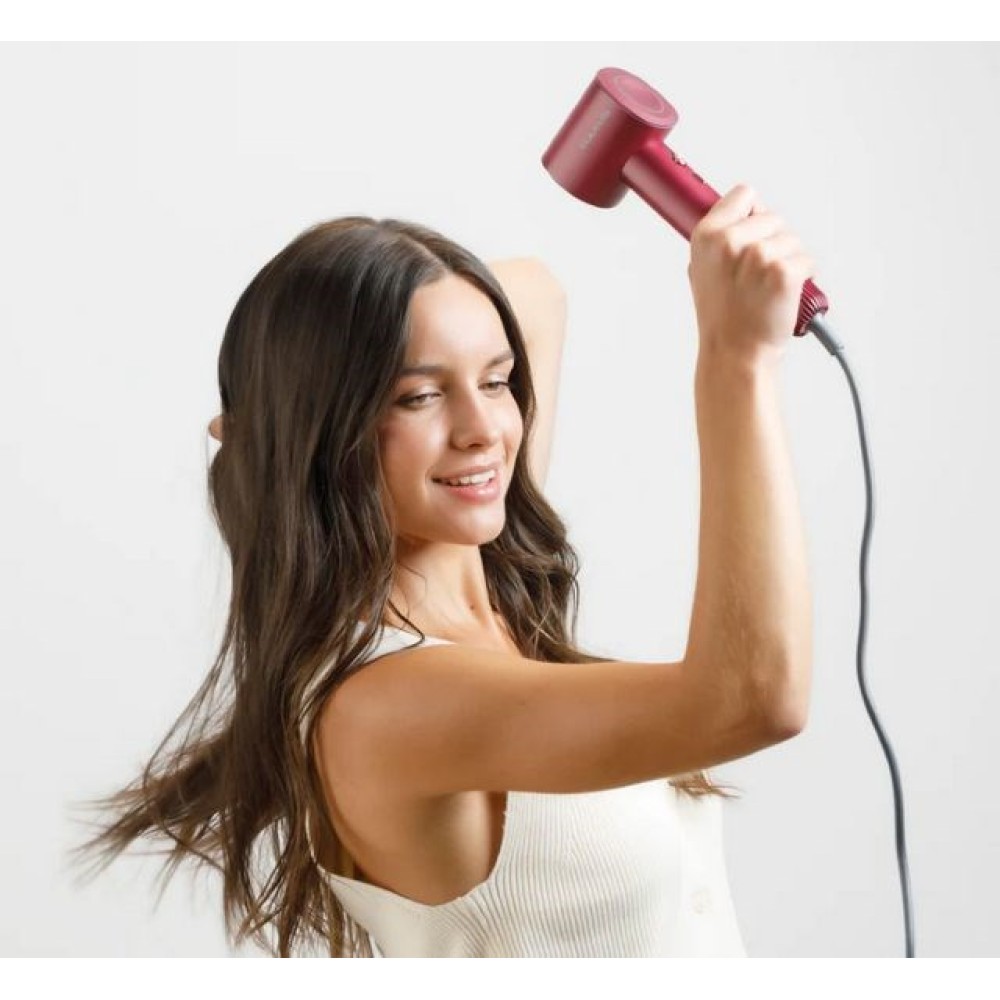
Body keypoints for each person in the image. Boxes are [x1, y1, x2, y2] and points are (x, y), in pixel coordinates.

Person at [68, 185, 814, 957]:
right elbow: (752, 699)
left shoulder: (478, 573)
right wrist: (738, 361)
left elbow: (537, 291)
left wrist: (391, 315)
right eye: (420, 396)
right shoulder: (387, 702)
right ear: (317, 431)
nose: (483, 430)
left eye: (496, 380)